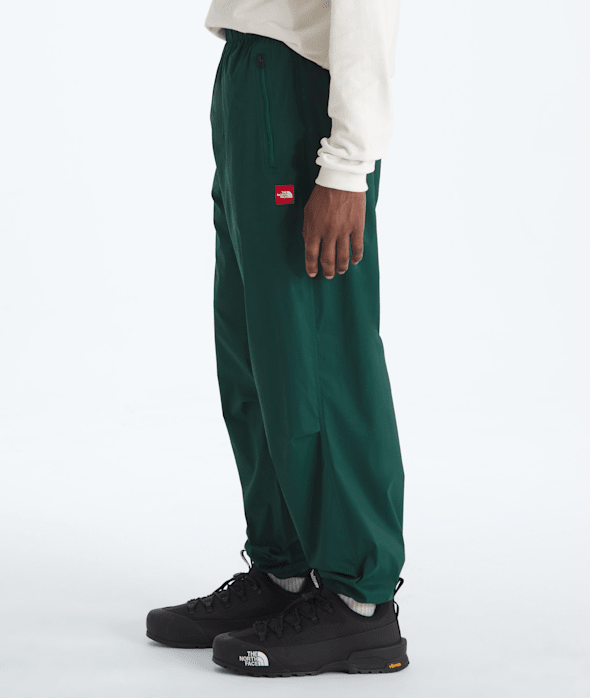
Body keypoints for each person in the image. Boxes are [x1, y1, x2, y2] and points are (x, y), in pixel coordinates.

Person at [146, 0, 408, 677]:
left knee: (317, 355)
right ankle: (286, 572)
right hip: (249, 70)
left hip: (297, 88)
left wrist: (347, 164)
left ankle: (358, 602)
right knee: (254, 357)